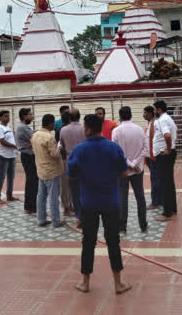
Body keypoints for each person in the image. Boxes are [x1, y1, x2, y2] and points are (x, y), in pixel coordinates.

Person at [68, 114, 131, 295]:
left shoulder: (79, 150)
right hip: (111, 201)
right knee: (113, 241)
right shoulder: (113, 147)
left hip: (88, 203)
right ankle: (118, 283)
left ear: (87, 129)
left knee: (88, 242)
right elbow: (123, 171)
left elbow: (71, 173)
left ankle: (85, 282)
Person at [112, 106, 148, 233]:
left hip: (123, 170)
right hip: (138, 169)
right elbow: (145, 148)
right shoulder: (139, 129)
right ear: (131, 115)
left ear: (120, 116)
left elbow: (116, 151)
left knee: (122, 198)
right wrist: (135, 163)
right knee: (140, 197)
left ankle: (122, 227)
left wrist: (129, 164)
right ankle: (143, 224)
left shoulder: (116, 131)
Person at [32, 114, 65, 228]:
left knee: (41, 196)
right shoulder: (49, 137)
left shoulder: (35, 135)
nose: (54, 125)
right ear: (50, 123)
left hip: (41, 170)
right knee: (53, 197)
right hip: (52, 171)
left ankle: (41, 219)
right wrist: (60, 147)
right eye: (53, 123)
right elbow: (54, 154)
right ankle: (56, 221)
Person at [152, 100, 178, 222]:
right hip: (166, 154)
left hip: (164, 155)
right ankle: (172, 208)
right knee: (169, 182)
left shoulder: (162, 120)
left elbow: (167, 135)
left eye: (155, 109)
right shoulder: (167, 118)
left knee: (165, 183)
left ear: (159, 109)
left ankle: (167, 212)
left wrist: (167, 149)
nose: (154, 112)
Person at [60, 108, 85, 225]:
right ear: (79, 116)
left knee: (74, 192)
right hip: (85, 163)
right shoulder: (85, 128)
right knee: (86, 190)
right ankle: (87, 214)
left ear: (69, 118)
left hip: (71, 163)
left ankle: (79, 217)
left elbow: (63, 146)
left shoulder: (63, 130)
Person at [0, 110, 19, 204]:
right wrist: (14, 146)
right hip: (2, 156)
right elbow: (2, 142)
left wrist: (15, 148)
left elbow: (12, 140)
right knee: (1, 177)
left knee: (11, 177)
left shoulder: (8, 127)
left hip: (11, 156)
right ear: (0, 118)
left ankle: (9, 195)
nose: (7, 118)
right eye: (5, 116)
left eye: (8, 116)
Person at [16, 108, 38, 215]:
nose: (32, 116)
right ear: (24, 116)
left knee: (32, 181)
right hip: (28, 156)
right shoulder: (22, 128)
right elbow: (35, 138)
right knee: (32, 181)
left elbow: (33, 139)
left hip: (28, 155)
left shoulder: (24, 127)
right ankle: (31, 207)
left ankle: (30, 206)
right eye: (30, 114)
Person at [54, 106, 72, 215]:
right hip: (64, 158)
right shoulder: (61, 129)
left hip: (67, 158)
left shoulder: (64, 129)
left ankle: (69, 205)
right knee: (65, 184)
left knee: (67, 184)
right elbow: (59, 144)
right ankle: (66, 206)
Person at [142, 106, 161, 210]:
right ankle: (159, 200)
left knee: (155, 179)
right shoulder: (149, 124)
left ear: (150, 114)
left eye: (145, 113)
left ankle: (155, 202)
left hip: (154, 157)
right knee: (155, 178)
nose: (143, 115)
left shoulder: (155, 124)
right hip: (149, 157)